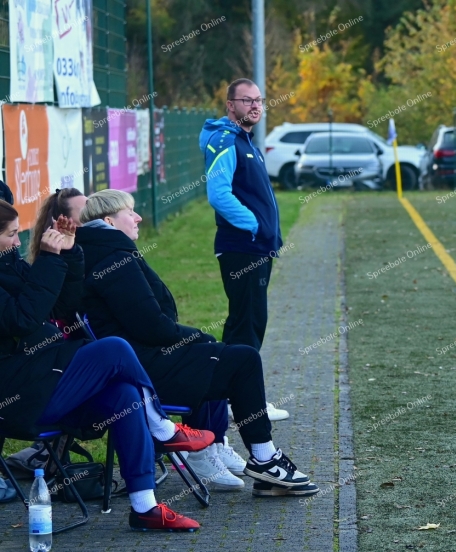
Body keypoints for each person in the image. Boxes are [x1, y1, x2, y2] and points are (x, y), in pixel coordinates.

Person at [75, 189, 318, 497]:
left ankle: (217, 448)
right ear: (109, 221)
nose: (138, 218)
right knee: (241, 359)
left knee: (220, 354)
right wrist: (195, 336)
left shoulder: (102, 253)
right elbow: (151, 325)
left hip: (137, 360)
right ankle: (263, 458)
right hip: (140, 370)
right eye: (130, 212)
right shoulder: (113, 260)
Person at [0, 199, 214, 531]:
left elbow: (62, 308)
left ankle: (144, 507)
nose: (17, 241)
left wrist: (69, 253)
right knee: (114, 348)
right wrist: (49, 259)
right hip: (18, 398)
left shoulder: (10, 265)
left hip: (44, 379)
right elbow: (24, 318)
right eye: (11, 234)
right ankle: (162, 428)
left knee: (125, 396)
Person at [27, 190, 243, 491]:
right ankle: (186, 444)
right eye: (83, 214)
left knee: (208, 350)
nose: (87, 219)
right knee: (201, 354)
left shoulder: (101, 252)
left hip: (122, 353)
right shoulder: (97, 258)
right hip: (104, 364)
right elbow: (143, 323)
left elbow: (151, 313)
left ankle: (211, 443)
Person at [199, 77, 289, 422]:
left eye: (259, 100)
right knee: (247, 324)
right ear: (230, 105)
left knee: (244, 323)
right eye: (247, 100)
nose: (255, 106)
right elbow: (218, 194)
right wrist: (255, 225)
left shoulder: (244, 140)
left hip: (254, 248)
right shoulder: (226, 140)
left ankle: (232, 397)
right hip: (243, 248)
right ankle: (246, 403)